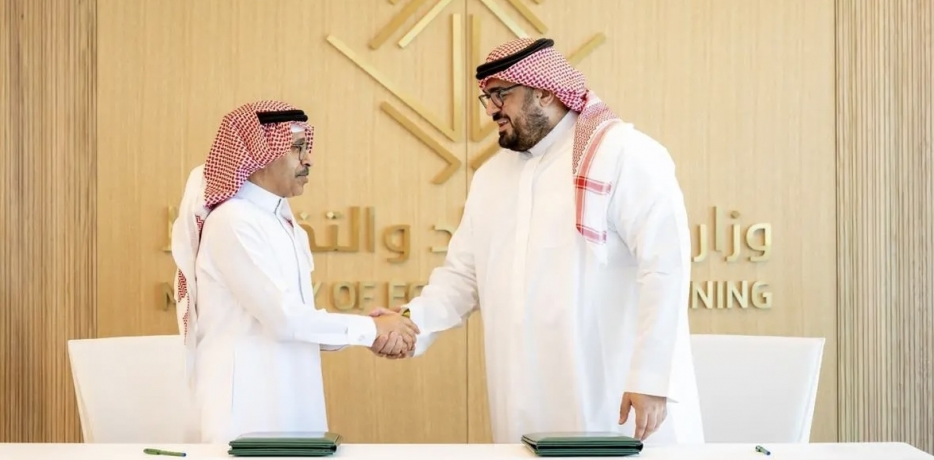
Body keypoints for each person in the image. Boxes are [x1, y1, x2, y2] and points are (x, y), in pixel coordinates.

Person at [369, 38, 705, 444]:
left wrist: (651, 378)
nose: (491, 109)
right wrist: (411, 322)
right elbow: (461, 277)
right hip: (523, 394)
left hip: (614, 391)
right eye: (487, 97)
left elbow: (665, 268)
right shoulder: (491, 177)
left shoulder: (624, 154)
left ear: (545, 92)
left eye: (501, 94)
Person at [171, 100, 418, 443]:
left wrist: (369, 331)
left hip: (291, 397)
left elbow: (298, 321)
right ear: (259, 153)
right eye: (297, 148)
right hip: (246, 410)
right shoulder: (232, 221)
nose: (309, 159)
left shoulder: (281, 221)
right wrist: (371, 329)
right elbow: (285, 320)